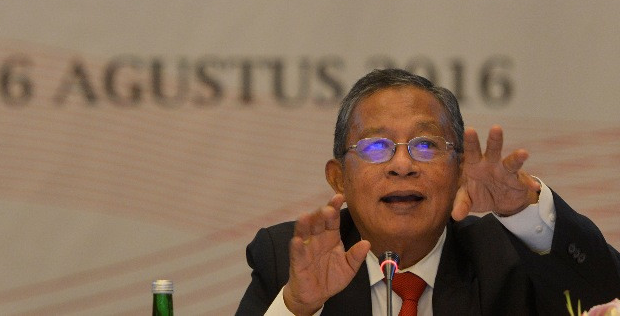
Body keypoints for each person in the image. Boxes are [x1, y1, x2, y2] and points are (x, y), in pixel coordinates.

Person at [235, 68, 620, 316]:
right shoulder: (292, 259)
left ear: (459, 172)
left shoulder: (505, 258)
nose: (402, 165)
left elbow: (607, 293)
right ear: (339, 179)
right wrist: (298, 306)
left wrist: (524, 208)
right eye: (375, 147)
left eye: (425, 145)